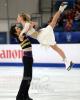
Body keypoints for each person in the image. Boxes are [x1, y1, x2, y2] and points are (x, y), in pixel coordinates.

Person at [17, 2, 73, 71]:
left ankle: (67, 62)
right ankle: (61, 8)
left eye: (18, 17)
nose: (17, 18)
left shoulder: (26, 24)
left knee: (55, 46)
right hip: (42, 34)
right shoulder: (27, 24)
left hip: (42, 36)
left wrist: (21, 34)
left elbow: (26, 28)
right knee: (53, 23)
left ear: (21, 17)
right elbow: (34, 24)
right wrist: (28, 30)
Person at [10, 23, 33, 100]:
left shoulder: (22, 34)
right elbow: (26, 28)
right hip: (27, 59)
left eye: (18, 28)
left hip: (29, 58)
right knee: (26, 78)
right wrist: (27, 23)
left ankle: (25, 95)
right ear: (15, 32)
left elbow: (27, 28)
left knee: (29, 78)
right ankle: (19, 96)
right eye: (17, 28)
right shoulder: (20, 36)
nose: (19, 29)